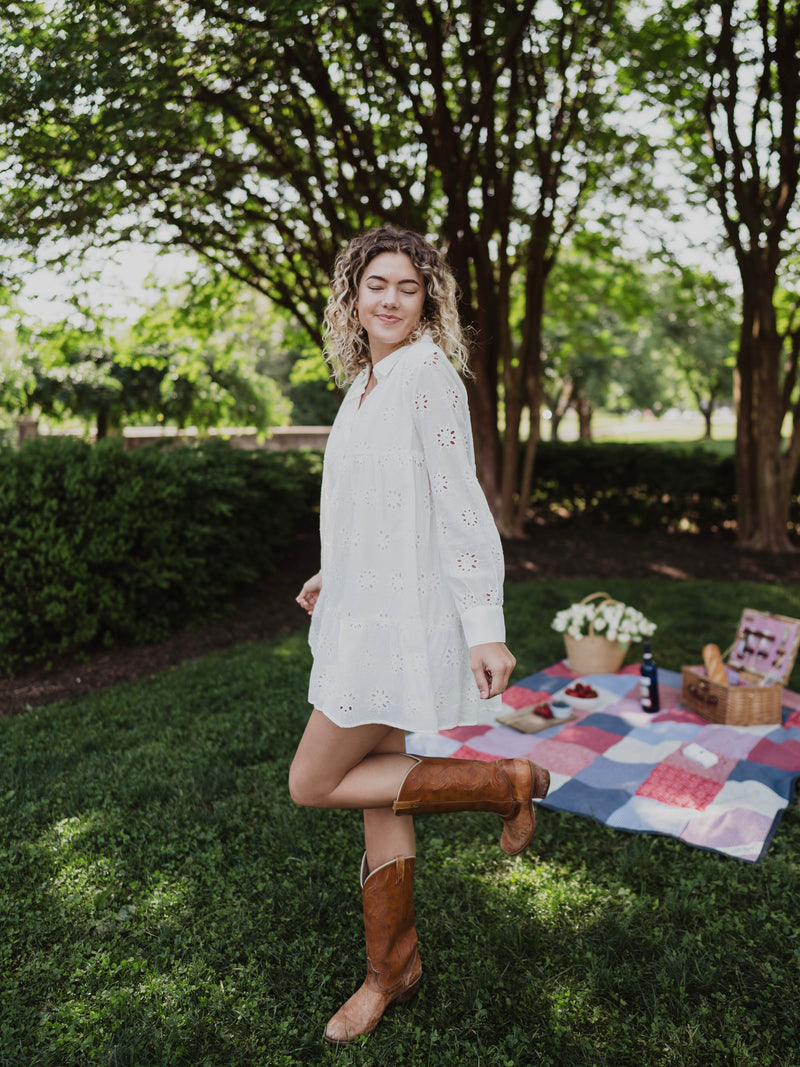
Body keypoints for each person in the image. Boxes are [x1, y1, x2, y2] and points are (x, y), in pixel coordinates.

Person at [290, 226, 550, 1046]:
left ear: (427, 299)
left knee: (314, 780)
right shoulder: (367, 379)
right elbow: (374, 503)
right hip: (364, 608)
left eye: (408, 286)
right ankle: (391, 968)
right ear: (354, 296)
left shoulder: (428, 373)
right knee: (379, 787)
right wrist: (334, 571)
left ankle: (505, 781)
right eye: (377, 285)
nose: (391, 298)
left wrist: (484, 621)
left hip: (401, 621)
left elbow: (456, 497)